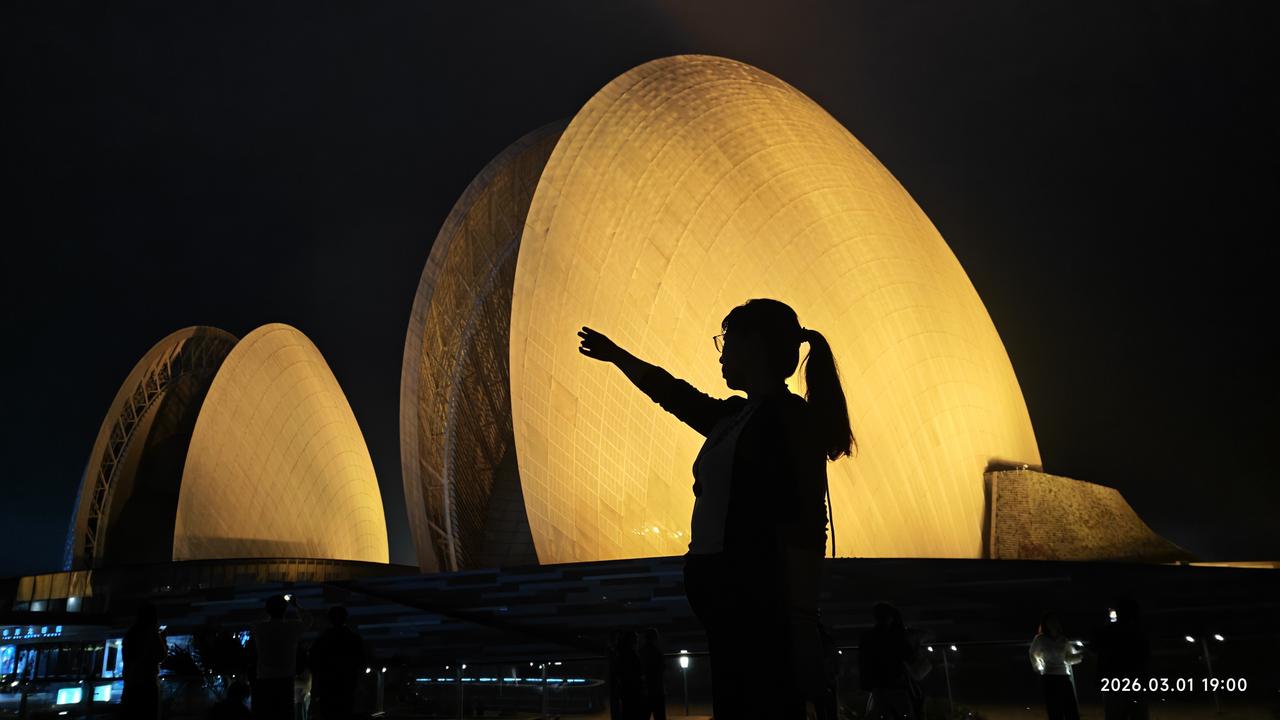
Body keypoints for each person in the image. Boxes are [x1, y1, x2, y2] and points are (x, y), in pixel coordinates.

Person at [579, 298, 854, 719]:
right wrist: (617, 357)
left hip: (761, 601)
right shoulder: (736, 415)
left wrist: (800, 614)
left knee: (763, 703)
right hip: (728, 601)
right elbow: (673, 394)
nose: (722, 354)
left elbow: (808, 520)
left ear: (756, 346)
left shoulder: (789, 420)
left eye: (728, 342)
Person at [250, 594, 311, 720]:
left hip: (264, 678)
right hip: (286, 678)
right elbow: (308, 620)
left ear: (267, 610)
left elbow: (258, 620)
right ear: (285, 610)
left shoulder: (260, 628)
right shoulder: (292, 627)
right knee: (285, 712)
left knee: (267, 713)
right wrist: (296, 606)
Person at [858, 602, 923, 720]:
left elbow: (863, 662)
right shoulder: (897, 637)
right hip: (897, 684)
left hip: (878, 685)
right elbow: (910, 657)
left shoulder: (868, 637)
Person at [308, 606, 367, 720]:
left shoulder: (323, 638)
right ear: (345, 618)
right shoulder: (354, 638)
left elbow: (314, 660)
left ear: (329, 619)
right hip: (348, 682)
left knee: (328, 712)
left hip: (328, 684)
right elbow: (361, 660)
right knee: (346, 710)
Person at [1095, 597, 1150, 720]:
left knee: (1115, 714)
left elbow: (1096, 648)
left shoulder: (1108, 630)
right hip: (1135, 681)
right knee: (1138, 714)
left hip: (1113, 682)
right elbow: (1146, 656)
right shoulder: (1140, 630)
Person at [1029, 612, 1084, 720]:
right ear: (1046, 624)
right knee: (1054, 710)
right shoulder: (1040, 639)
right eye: (1051, 621)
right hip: (1049, 677)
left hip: (1063, 676)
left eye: (1055, 621)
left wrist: (1081, 654)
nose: (1054, 623)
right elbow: (1032, 653)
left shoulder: (1063, 639)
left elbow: (1068, 658)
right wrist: (1039, 668)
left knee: (1070, 709)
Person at [122, 600, 167, 720]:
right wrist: (161, 639)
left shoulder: (130, 634)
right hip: (147, 685)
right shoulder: (151, 633)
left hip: (130, 684)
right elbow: (161, 655)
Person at [607, 630, 645, 719]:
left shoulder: (621, 653)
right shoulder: (632, 654)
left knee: (627, 711)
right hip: (633, 688)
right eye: (636, 639)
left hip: (626, 688)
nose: (637, 641)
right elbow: (638, 670)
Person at [637, 628, 667, 720]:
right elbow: (661, 668)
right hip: (657, 689)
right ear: (655, 638)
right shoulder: (657, 651)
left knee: (644, 714)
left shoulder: (640, 652)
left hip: (645, 689)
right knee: (659, 715)